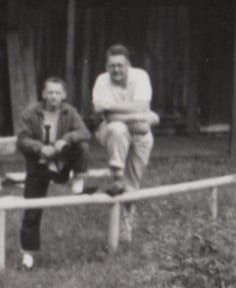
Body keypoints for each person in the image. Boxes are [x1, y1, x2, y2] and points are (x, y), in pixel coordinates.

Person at [14, 76, 91, 269]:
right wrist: (39, 148)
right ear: (43, 94)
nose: (53, 97)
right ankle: (28, 257)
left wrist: (65, 139)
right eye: (50, 92)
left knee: (82, 146)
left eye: (57, 93)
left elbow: (84, 132)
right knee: (32, 210)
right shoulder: (30, 113)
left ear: (63, 95)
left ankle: (78, 181)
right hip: (39, 165)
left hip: (61, 162)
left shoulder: (69, 112)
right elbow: (21, 140)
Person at [92, 44, 158, 239]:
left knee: (132, 185)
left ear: (128, 65)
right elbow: (105, 115)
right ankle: (116, 176)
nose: (116, 70)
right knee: (117, 128)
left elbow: (142, 104)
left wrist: (117, 111)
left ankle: (125, 230)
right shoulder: (102, 81)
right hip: (112, 133)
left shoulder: (141, 76)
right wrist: (143, 118)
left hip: (141, 135)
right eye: (112, 66)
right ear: (106, 66)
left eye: (120, 65)